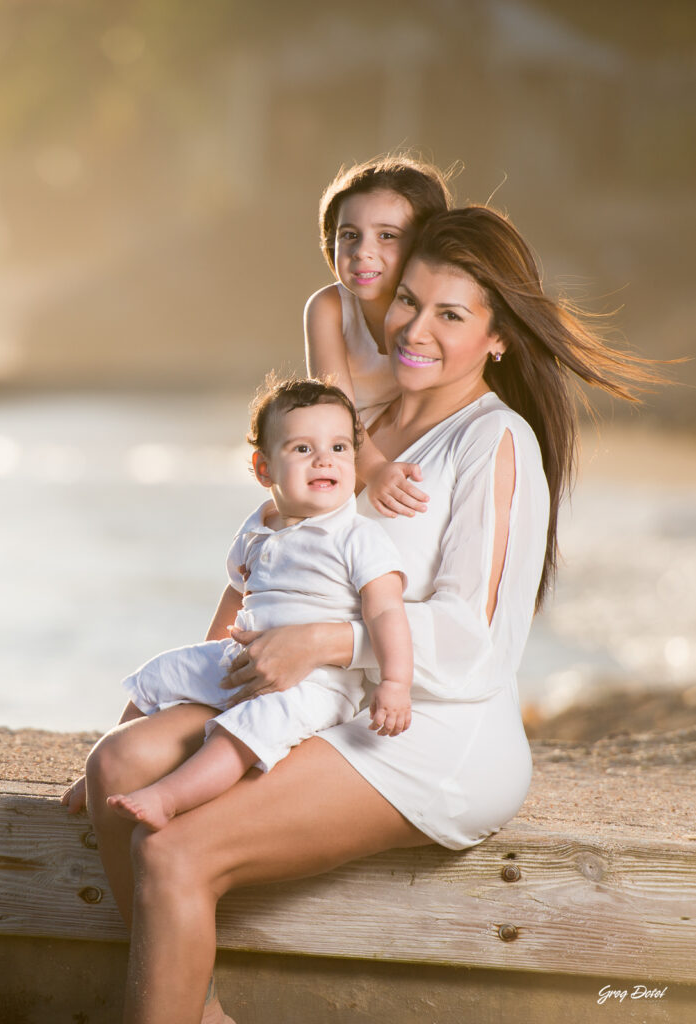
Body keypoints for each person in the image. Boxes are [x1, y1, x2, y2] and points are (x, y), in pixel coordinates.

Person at [64, 204, 660, 1024]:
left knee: (173, 855)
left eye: (451, 314)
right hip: (313, 697)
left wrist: (325, 640)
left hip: (430, 729)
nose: (415, 327)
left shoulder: (495, 441)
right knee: (116, 765)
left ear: (498, 337)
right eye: (409, 300)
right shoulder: (356, 424)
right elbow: (266, 559)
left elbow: (473, 643)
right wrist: (187, 686)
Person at [105, 377, 412, 832]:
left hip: (315, 683)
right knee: (159, 674)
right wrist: (206, 660)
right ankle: (102, 768)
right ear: (264, 469)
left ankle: (167, 799)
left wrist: (395, 682)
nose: (325, 458)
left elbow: (387, 612)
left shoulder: (358, 538)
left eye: (340, 447)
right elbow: (236, 593)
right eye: (303, 449)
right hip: (242, 658)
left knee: (247, 728)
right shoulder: (256, 530)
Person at [305, 155, 451, 519]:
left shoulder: (435, 310)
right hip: (344, 446)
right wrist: (372, 469)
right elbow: (336, 409)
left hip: (415, 438)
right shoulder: (328, 308)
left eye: (387, 235)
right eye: (349, 235)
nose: (362, 251)